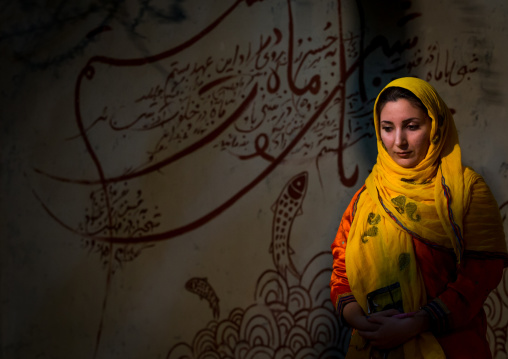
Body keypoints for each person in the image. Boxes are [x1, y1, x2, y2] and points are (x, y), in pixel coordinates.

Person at [330, 77, 508, 359]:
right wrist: (363, 323)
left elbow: (481, 273)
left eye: (412, 127)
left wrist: (419, 322)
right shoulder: (367, 197)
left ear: (435, 126)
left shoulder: (467, 190)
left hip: (451, 347)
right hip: (375, 348)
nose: (398, 141)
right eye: (387, 128)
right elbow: (342, 274)